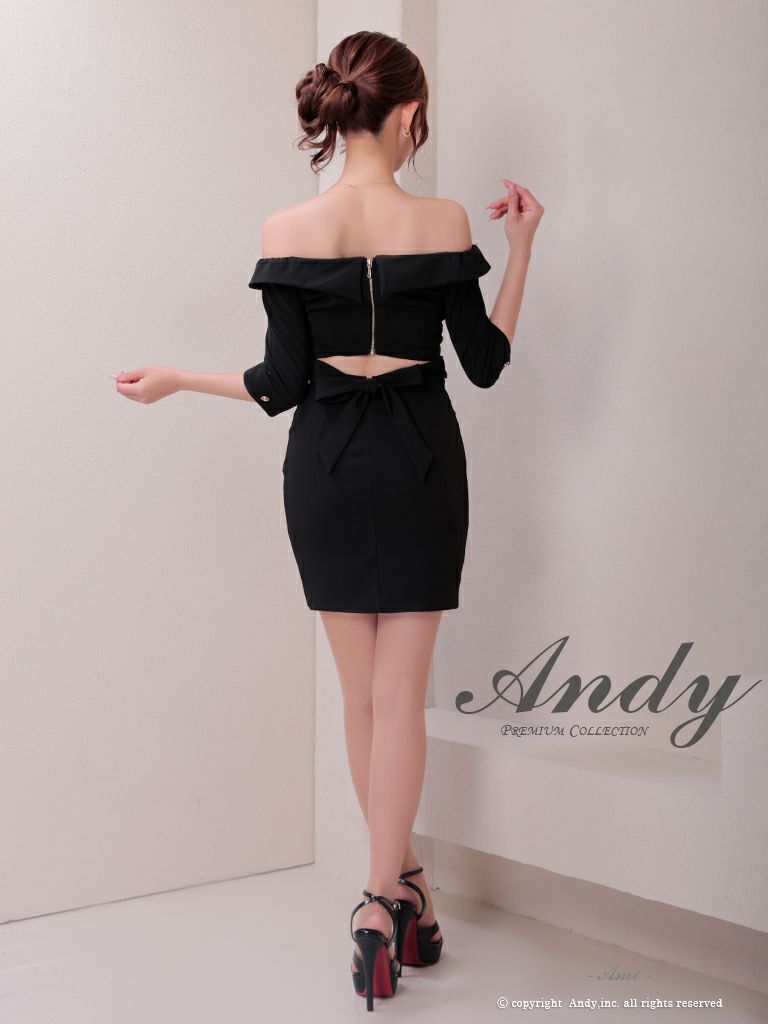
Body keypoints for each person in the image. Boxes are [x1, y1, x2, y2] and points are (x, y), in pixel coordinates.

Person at [112, 29, 543, 1012]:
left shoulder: (288, 225)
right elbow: (484, 364)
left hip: (326, 468)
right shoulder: (440, 218)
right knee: (402, 699)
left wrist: (177, 378)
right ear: (408, 113)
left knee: (361, 700)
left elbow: (280, 383)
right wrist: (521, 250)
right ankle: (387, 897)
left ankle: (393, 891)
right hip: (423, 462)